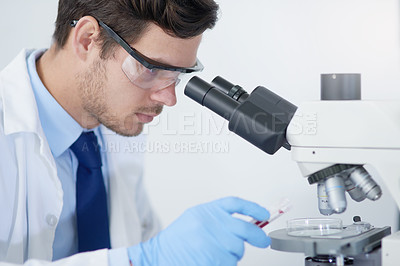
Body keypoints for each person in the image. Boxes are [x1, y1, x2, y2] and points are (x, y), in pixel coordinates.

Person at [0, 0, 271, 265]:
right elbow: (136, 256)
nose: (169, 98)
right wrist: (139, 260)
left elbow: (140, 239)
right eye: (151, 68)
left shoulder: (118, 125)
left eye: (176, 75)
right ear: (87, 40)